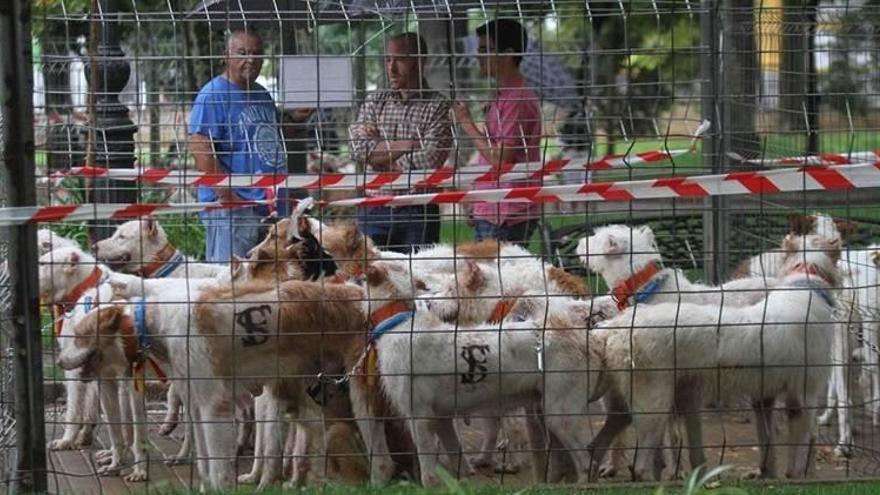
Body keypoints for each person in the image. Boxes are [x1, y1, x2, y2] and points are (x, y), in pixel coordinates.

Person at [349, 32, 453, 253]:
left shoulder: (438, 105)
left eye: (400, 59)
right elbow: (358, 150)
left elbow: (430, 159)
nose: (392, 68)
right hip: (374, 207)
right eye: (388, 59)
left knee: (418, 278)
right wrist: (408, 145)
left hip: (417, 209)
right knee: (371, 278)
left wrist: (380, 155)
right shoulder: (375, 101)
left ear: (420, 60)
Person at [189, 29, 284, 262]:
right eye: (242, 53)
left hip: (267, 205)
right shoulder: (212, 96)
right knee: (229, 284)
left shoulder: (263, 95)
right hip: (232, 207)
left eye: (256, 53)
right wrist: (228, 195)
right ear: (225, 55)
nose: (250, 60)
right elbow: (201, 148)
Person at [453, 19, 542, 247]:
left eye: (485, 50)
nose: (478, 57)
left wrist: (466, 123)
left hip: (506, 213)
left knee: (497, 281)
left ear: (508, 54)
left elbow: (502, 159)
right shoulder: (504, 97)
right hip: (494, 208)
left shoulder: (516, 99)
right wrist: (476, 197)